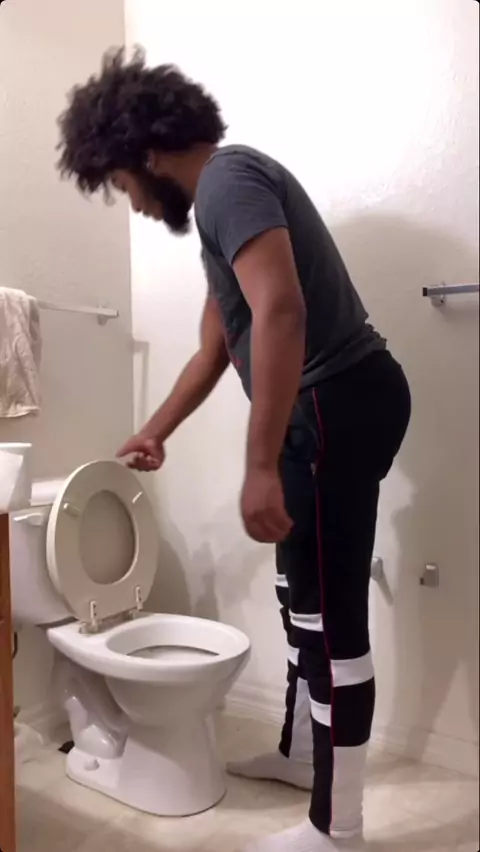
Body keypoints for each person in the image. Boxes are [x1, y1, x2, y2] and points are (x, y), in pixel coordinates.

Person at [57, 48, 411, 852]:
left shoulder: (228, 181)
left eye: (120, 182)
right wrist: (156, 429)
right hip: (333, 405)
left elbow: (282, 312)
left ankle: (338, 831)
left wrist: (258, 466)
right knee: (302, 602)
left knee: (333, 626)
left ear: (145, 151)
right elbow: (217, 348)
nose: (130, 201)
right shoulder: (225, 208)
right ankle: (301, 754)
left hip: (332, 404)